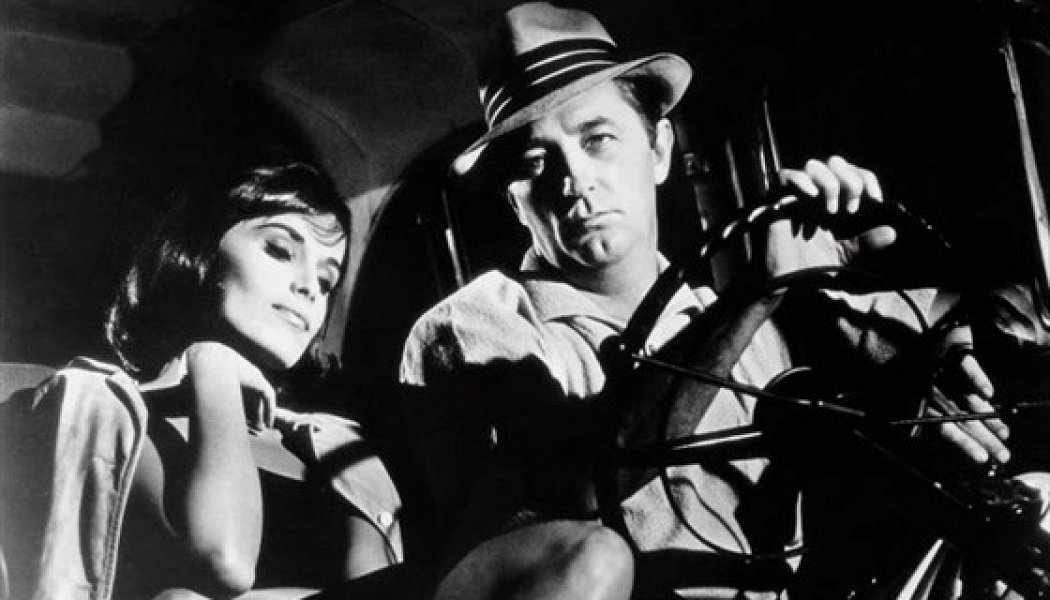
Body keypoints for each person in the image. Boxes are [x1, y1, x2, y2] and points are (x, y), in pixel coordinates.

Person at [400, 3, 1011, 597]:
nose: (575, 180)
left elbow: (959, 329)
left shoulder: (728, 316)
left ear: (659, 150)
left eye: (598, 139)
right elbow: (576, 490)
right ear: (514, 201)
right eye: (536, 162)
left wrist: (928, 322)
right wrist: (750, 300)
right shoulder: (475, 325)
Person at [0, 162, 402, 599]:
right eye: (280, 250)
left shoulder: (337, 447)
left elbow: (384, 590)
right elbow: (224, 560)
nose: (309, 288)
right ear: (202, 251)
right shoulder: (112, 411)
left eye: (327, 281)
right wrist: (212, 366)